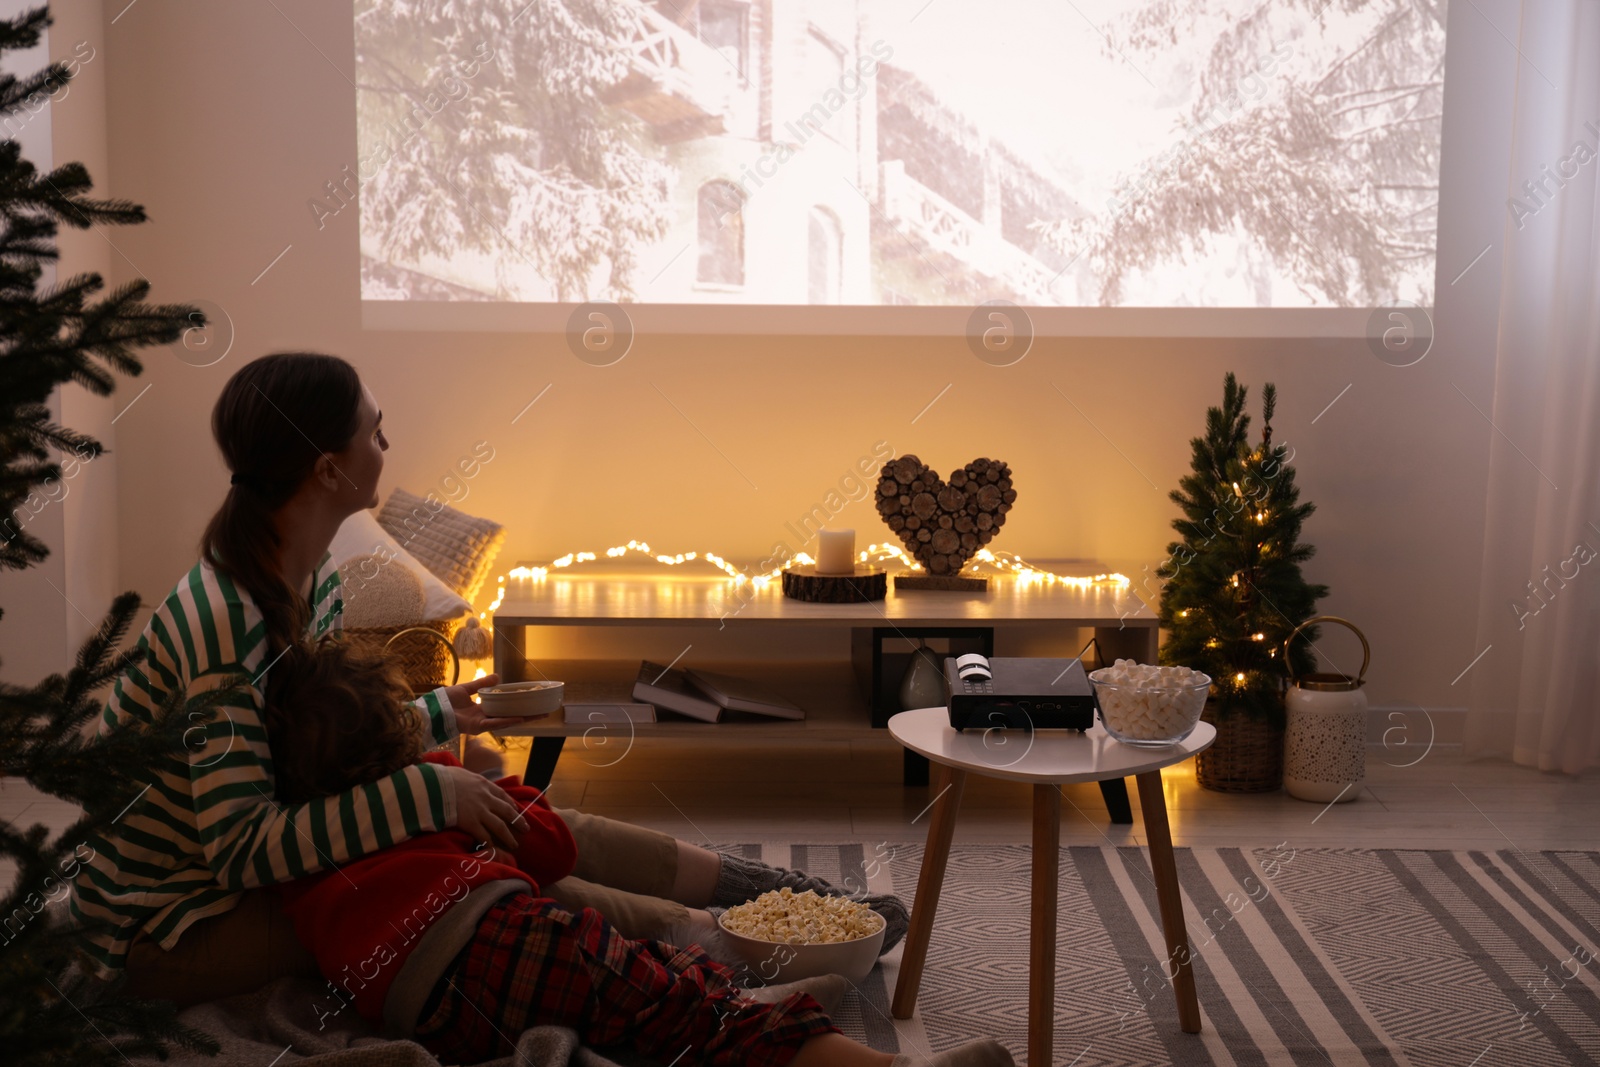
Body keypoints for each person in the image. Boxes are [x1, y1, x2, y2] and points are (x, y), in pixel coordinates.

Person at [68, 351, 906, 1007]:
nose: (386, 446)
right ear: (326, 469)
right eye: (373, 430)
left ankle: (775, 900)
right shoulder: (228, 617)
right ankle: (723, 956)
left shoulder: (307, 573)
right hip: (173, 923)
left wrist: (438, 714)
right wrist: (431, 800)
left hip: (234, 875)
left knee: (517, 817)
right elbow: (244, 845)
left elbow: (304, 742)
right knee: (477, 860)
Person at [265, 635, 1013, 1067]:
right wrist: (491, 777)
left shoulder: (293, 844)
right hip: (509, 940)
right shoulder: (426, 784)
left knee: (653, 992)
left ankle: (742, 993)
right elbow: (551, 847)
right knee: (682, 1006)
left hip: (426, 1015)